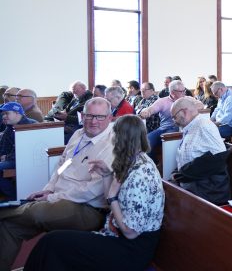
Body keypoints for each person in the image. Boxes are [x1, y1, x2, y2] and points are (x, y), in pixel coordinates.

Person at [24, 115, 164, 271]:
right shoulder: (133, 159)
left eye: (114, 135)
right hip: (114, 234)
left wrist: (112, 199)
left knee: (52, 243)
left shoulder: (140, 174)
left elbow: (130, 233)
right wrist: (105, 175)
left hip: (129, 249)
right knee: (52, 243)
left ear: (121, 138)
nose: (112, 140)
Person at [0, 97, 115, 270]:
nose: (93, 121)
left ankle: (6, 210)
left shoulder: (112, 144)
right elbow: (61, 167)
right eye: (88, 116)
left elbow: (93, 190)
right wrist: (47, 190)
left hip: (87, 208)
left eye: (99, 117)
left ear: (109, 118)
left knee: (35, 212)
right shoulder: (78, 134)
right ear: (82, 116)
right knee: (9, 226)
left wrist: (54, 196)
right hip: (60, 198)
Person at [170, 97, 230, 204]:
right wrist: (178, 173)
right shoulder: (190, 127)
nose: (174, 121)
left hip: (206, 191)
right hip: (193, 185)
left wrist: (182, 173)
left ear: (184, 112)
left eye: (175, 117)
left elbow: (219, 158)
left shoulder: (204, 126)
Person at [139, 80, 189, 156]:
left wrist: (197, 105)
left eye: (184, 91)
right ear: (172, 92)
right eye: (181, 91)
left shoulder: (187, 99)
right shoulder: (162, 101)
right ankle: (152, 164)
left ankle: (166, 165)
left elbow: (200, 105)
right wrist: (147, 112)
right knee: (147, 140)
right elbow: (152, 108)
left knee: (168, 137)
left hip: (179, 129)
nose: (183, 93)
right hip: (163, 128)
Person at [0, 102, 37, 200]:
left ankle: (14, 198)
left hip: (25, 160)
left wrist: (6, 157)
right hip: (12, 159)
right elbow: (3, 148)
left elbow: (26, 151)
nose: (3, 116)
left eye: (7, 113)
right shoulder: (9, 127)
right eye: (3, 114)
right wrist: (3, 156)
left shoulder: (30, 126)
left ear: (17, 113)